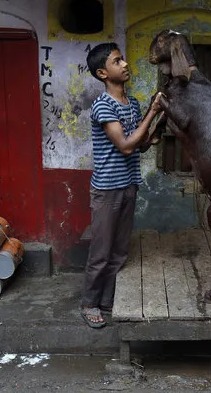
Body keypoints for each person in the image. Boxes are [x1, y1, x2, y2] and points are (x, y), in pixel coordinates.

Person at [81, 43, 163, 328]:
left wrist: (151, 135)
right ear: (103, 73)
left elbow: (138, 146)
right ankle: (89, 303)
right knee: (101, 253)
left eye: (124, 59)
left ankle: (106, 300)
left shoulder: (134, 104)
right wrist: (152, 114)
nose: (126, 63)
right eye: (118, 61)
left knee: (119, 252)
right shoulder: (103, 105)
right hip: (106, 189)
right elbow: (127, 146)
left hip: (129, 185)